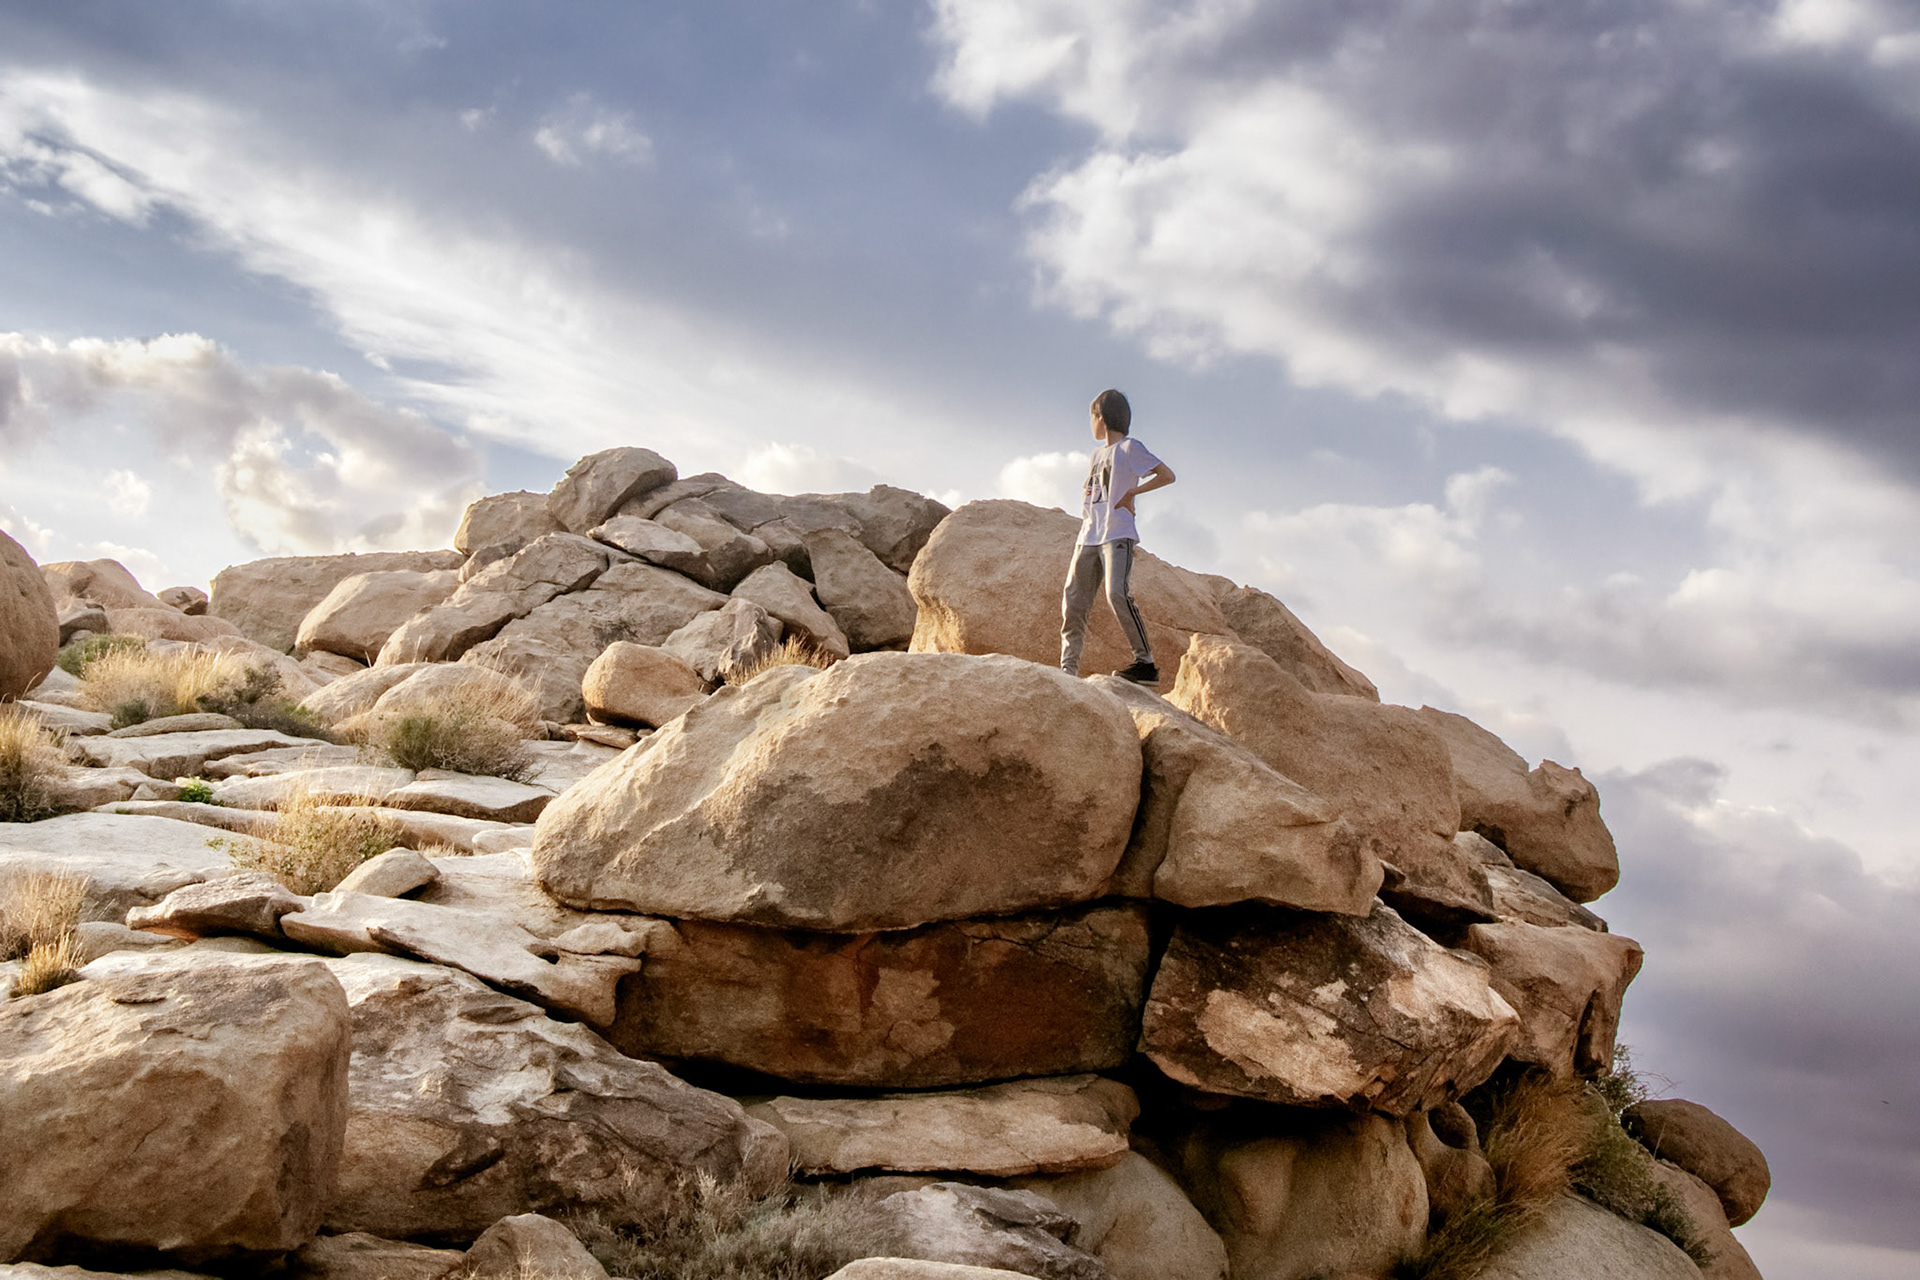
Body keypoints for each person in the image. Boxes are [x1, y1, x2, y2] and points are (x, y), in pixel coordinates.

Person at [1060, 388, 1176, 684]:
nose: (1091, 423)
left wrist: (1133, 493)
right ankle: (1067, 672)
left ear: (1102, 416)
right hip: (1088, 535)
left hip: (1117, 533)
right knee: (1074, 603)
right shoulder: (1096, 456)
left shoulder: (1129, 447)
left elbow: (1166, 475)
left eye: (1092, 416)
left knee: (1117, 594)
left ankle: (1145, 664)